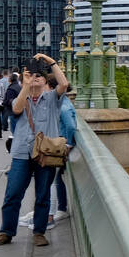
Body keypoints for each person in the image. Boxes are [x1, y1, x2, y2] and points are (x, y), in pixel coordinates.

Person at [0, 55, 67, 247]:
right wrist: (25, 86)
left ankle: (39, 232)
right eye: (30, 76)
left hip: (45, 155)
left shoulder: (53, 99)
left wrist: (49, 60)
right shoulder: (19, 96)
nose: (35, 78)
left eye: (39, 76)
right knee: (13, 193)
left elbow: (64, 83)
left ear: (45, 81)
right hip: (21, 153)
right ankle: (6, 232)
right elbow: (17, 109)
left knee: (42, 195)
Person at [52, 82, 78, 225]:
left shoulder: (63, 107)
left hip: (60, 146)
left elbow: (70, 126)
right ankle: (58, 209)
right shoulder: (63, 104)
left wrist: (68, 143)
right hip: (59, 144)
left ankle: (60, 209)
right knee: (56, 179)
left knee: (54, 179)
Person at [1, 71, 20, 153]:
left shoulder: (11, 88)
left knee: (14, 132)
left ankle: (15, 148)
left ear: (10, 80)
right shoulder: (19, 87)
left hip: (13, 112)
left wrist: (4, 103)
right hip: (19, 112)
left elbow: (8, 100)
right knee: (18, 131)